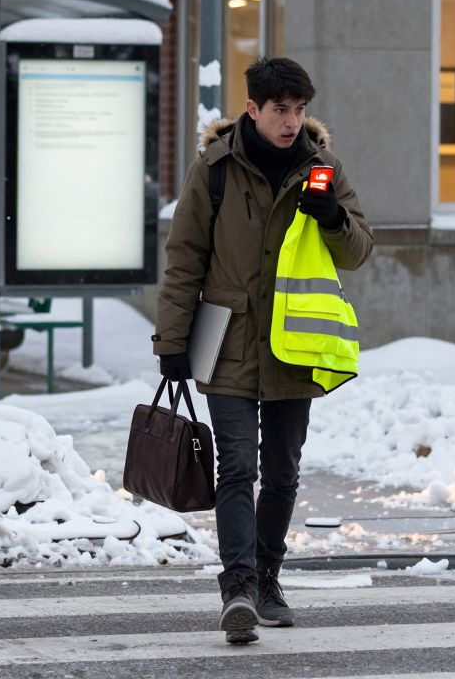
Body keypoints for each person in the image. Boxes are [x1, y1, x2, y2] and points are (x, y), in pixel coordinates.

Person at [153, 57, 373, 644]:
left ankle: (269, 578)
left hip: (295, 345)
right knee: (236, 468)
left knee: (281, 473)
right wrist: (172, 342)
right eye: (281, 110)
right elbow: (184, 259)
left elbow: (358, 250)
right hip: (226, 340)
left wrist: (330, 219)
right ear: (252, 109)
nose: (291, 122)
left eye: (299, 110)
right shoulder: (215, 169)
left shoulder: (321, 167)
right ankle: (240, 588)